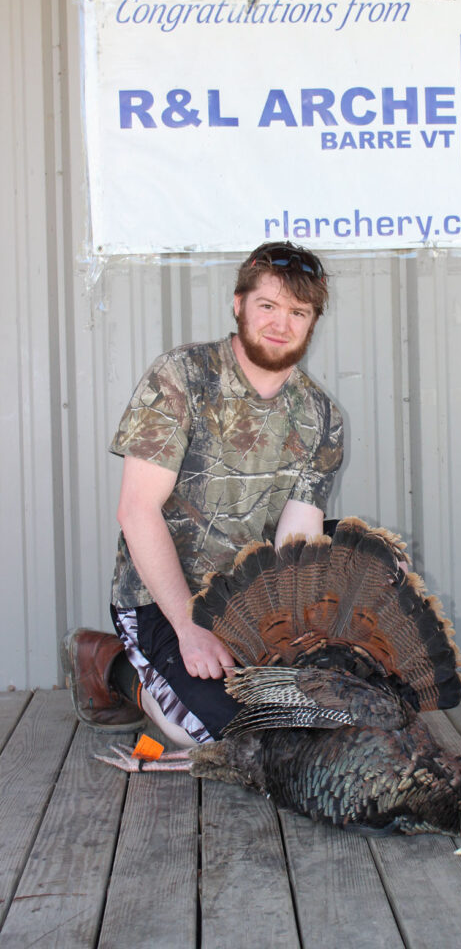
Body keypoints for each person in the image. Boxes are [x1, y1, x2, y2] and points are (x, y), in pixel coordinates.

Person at [61, 241, 343, 747]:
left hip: (247, 599)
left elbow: (296, 537)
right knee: (220, 739)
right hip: (163, 599)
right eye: (268, 305)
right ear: (238, 304)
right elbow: (136, 510)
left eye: (298, 312)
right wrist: (191, 627)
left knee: (317, 723)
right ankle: (111, 665)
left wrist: (291, 642)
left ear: (313, 322)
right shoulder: (183, 377)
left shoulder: (321, 415)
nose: (281, 324)